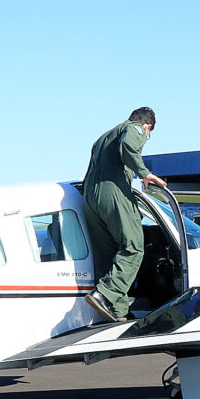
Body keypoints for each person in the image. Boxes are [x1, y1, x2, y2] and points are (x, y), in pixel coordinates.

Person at [82, 107, 167, 322]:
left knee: (108, 252)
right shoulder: (134, 128)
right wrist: (144, 173)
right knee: (134, 247)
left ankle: (116, 310)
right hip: (113, 192)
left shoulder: (103, 137)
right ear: (148, 126)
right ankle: (104, 293)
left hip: (90, 197)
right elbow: (129, 145)